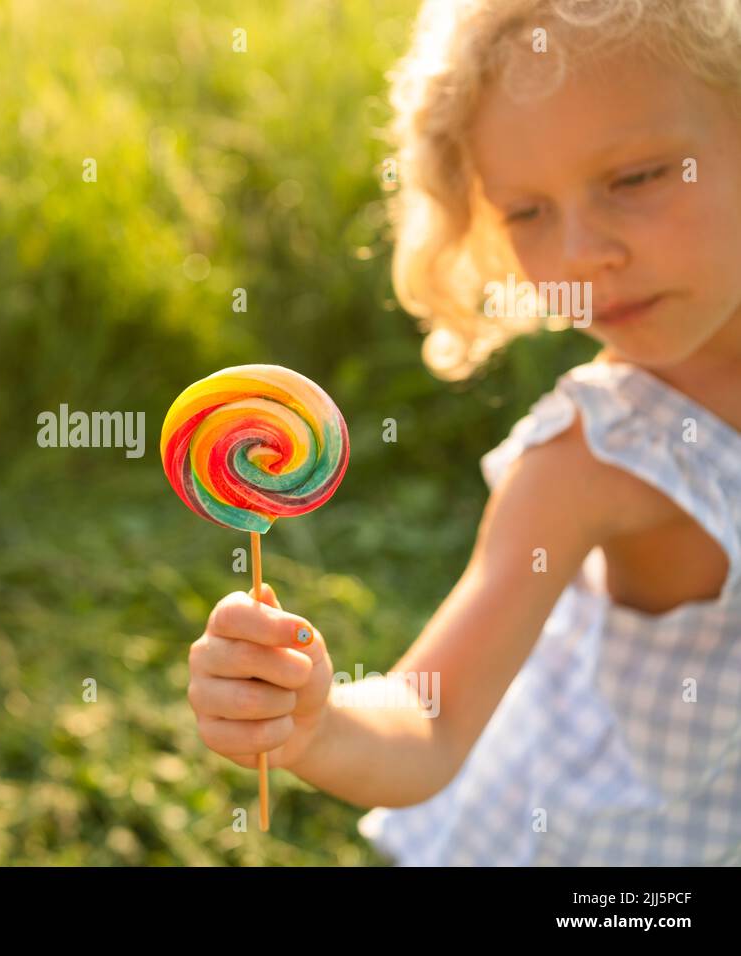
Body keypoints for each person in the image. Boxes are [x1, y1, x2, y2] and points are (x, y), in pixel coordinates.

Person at [186, 0, 741, 864]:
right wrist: (316, 722)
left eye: (636, 177)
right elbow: (430, 721)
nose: (582, 251)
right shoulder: (598, 453)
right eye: (525, 212)